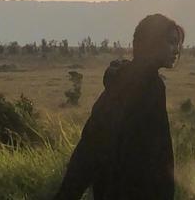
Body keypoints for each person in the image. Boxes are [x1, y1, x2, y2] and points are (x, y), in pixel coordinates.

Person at [54, 14, 184, 200]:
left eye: (177, 43)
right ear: (152, 42)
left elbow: (92, 140)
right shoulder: (148, 86)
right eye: (171, 42)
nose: (176, 50)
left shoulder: (123, 80)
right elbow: (157, 153)